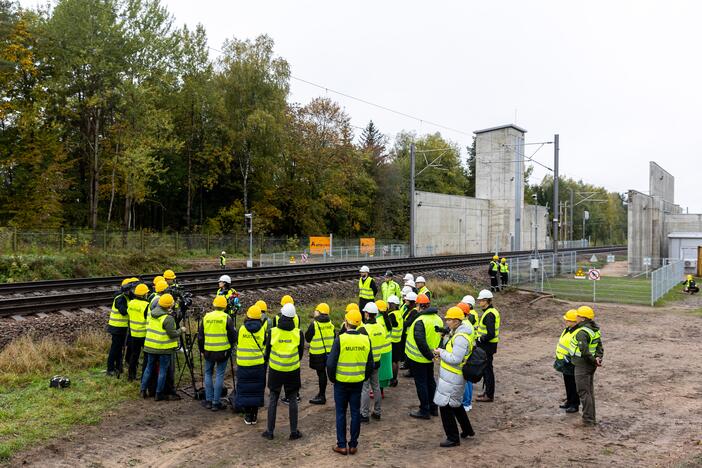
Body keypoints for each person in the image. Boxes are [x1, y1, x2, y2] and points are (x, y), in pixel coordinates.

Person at [327, 309, 374, 456]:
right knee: (355, 413)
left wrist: (333, 379)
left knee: (340, 413)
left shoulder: (340, 339)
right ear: (359, 323)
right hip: (357, 383)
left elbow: (330, 364)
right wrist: (363, 377)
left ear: (346, 322)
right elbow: (370, 364)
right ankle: (353, 445)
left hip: (341, 383)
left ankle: (341, 445)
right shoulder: (366, 340)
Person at [434, 306, 475, 447]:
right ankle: (467, 430)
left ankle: (452, 438)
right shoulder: (457, 333)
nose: (447, 322)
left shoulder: (461, 338)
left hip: (453, 377)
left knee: (445, 407)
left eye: (449, 320)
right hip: (452, 376)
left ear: (457, 321)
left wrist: (441, 352)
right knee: (456, 405)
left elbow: (455, 358)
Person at [262, 303, 304, 441]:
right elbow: (300, 354)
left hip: (275, 371)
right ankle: (293, 432)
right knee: (292, 400)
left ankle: (270, 431)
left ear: (281, 315)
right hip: (292, 371)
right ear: (293, 318)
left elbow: (267, 353)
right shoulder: (298, 333)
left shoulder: (272, 332)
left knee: (273, 399)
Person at [405, 293, 442, 419]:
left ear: (420, 306)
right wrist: (433, 355)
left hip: (419, 358)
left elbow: (420, 342)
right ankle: (433, 407)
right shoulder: (438, 318)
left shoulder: (420, 321)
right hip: (431, 357)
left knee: (421, 383)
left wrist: (428, 356)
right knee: (430, 381)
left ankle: (424, 410)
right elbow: (441, 338)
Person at [141, 294, 184, 400]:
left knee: (148, 368)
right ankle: (159, 393)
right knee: (163, 371)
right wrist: (181, 330)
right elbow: (172, 334)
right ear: (169, 306)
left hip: (150, 346)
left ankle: (143, 390)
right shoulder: (168, 319)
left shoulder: (152, 314)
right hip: (163, 348)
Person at [197, 295, 236, 411]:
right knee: (219, 375)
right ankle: (216, 402)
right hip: (222, 352)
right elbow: (233, 337)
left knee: (208, 373)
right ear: (225, 306)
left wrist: (202, 350)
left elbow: (200, 336)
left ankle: (208, 400)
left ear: (214, 305)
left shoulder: (206, 317)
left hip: (208, 351)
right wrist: (230, 348)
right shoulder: (227, 318)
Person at [570, 305, 603, 426]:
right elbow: (599, 346)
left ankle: (588, 420)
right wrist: (599, 358)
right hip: (591, 365)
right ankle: (591, 418)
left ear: (583, 318)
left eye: (578, 315)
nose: (576, 317)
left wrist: (594, 360)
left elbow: (584, 351)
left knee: (584, 392)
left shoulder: (582, 332)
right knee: (589, 391)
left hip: (583, 365)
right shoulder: (594, 329)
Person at [235, 304, 268, 424]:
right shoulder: (262, 330)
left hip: (243, 364)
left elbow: (238, 342)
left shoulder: (242, 329)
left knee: (245, 389)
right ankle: (254, 415)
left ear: (248, 316)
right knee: (256, 389)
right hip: (258, 364)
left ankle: (247, 415)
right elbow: (264, 345)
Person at [358, 302, 388, 422]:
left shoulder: (363, 329)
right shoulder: (381, 327)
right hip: (377, 361)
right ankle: (377, 412)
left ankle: (364, 414)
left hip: (366, 363)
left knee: (365, 388)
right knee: (376, 387)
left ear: (366, 314)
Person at [305, 303, 336, 405]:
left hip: (317, 354)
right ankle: (321, 394)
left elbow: (308, 338)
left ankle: (322, 396)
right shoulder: (331, 324)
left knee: (321, 374)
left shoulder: (314, 324)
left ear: (319, 312)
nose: (314, 311)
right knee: (323, 374)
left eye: (316, 310)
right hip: (328, 353)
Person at [106, 278, 136, 377]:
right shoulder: (119, 298)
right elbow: (123, 311)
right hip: (117, 328)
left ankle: (118, 367)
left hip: (123, 328)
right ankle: (110, 369)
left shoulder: (127, 296)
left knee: (119, 348)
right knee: (115, 349)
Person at [475, 289, 500, 403]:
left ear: (486, 301)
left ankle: (489, 395)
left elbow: (491, 333)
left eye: (480, 300)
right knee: (486, 370)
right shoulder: (490, 312)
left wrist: (480, 338)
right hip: (488, 346)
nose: (479, 302)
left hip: (487, 346)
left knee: (487, 371)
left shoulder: (489, 314)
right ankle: (487, 392)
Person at [554, 309, 579, 414]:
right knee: (567, 382)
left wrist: (569, 358)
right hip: (564, 361)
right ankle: (569, 401)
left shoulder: (578, 332)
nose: (566, 322)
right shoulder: (568, 329)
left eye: (568, 320)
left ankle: (575, 404)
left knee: (573, 384)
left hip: (571, 362)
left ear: (575, 321)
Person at [456, 296, 477, 411]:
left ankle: (466, 403)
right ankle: (466, 402)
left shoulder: (465, 326)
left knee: (465, 379)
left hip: (465, 355)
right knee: (467, 379)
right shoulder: (468, 323)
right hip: (468, 353)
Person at [126, 283, 150, 381]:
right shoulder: (146, 305)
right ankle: (144, 376)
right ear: (144, 294)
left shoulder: (131, 303)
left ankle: (131, 376)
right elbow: (148, 319)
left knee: (134, 355)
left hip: (133, 333)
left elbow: (129, 313)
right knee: (146, 356)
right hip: (144, 334)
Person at [386, 295, 404, 387]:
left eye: (388, 303)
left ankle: (392, 380)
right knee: (396, 361)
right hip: (398, 340)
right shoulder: (399, 313)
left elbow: (389, 326)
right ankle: (395, 379)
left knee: (392, 361)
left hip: (392, 341)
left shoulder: (392, 315)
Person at [399, 291, 418, 373]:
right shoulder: (408, 308)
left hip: (409, 333)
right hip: (406, 332)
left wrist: (400, 324)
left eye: (407, 300)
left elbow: (409, 322)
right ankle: (406, 364)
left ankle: (408, 366)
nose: (405, 301)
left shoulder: (414, 311)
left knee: (408, 350)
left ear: (411, 301)